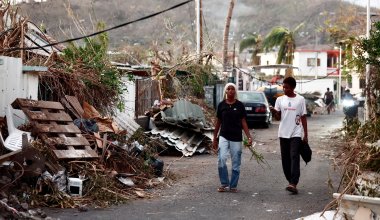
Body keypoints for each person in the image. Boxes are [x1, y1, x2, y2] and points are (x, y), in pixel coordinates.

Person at [270, 77, 308, 194]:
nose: (284, 89)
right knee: (285, 159)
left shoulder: (300, 99)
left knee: (294, 156)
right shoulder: (280, 100)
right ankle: (290, 180)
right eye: (283, 86)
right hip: (283, 133)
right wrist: (273, 112)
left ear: (292, 88)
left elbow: (303, 117)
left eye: (286, 87)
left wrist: (305, 134)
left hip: (296, 133)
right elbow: (278, 118)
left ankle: (293, 182)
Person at [212, 83, 252, 193]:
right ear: (225, 91)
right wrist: (214, 138)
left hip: (236, 137)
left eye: (232, 89)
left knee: (236, 162)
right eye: (228, 89)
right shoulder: (221, 105)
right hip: (224, 136)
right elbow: (218, 122)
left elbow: (243, 122)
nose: (230, 91)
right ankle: (224, 183)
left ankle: (233, 185)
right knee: (221, 159)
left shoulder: (240, 105)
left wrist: (249, 137)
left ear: (235, 92)